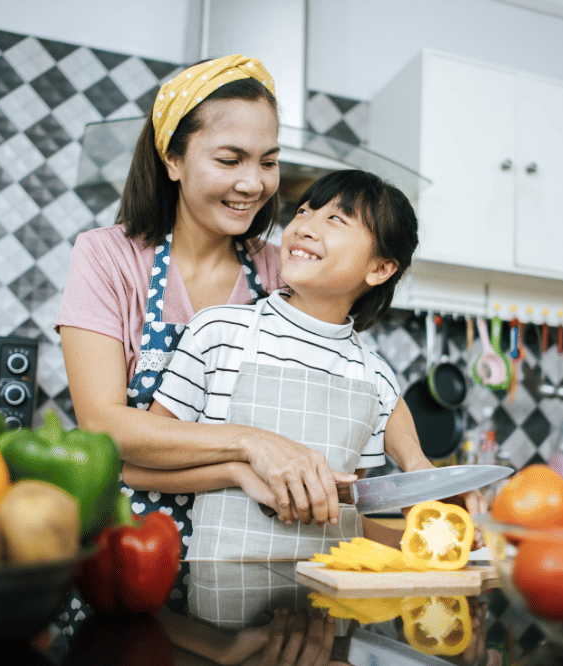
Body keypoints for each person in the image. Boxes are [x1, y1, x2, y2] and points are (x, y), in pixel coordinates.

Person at [55, 55, 460, 568]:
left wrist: (417, 464)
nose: (254, 184)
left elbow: (366, 375)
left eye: (268, 162)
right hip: (130, 548)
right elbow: (103, 428)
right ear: (172, 160)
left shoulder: (283, 269)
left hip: (254, 558)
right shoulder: (109, 257)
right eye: (230, 160)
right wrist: (253, 445)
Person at [126, 169, 426, 564]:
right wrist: (240, 473)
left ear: (380, 269)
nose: (304, 226)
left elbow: (342, 517)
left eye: (335, 219)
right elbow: (137, 469)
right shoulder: (218, 332)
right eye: (303, 211)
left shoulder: (374, 378)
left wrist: (422, 543)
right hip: (219, 604)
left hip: (325, 609)